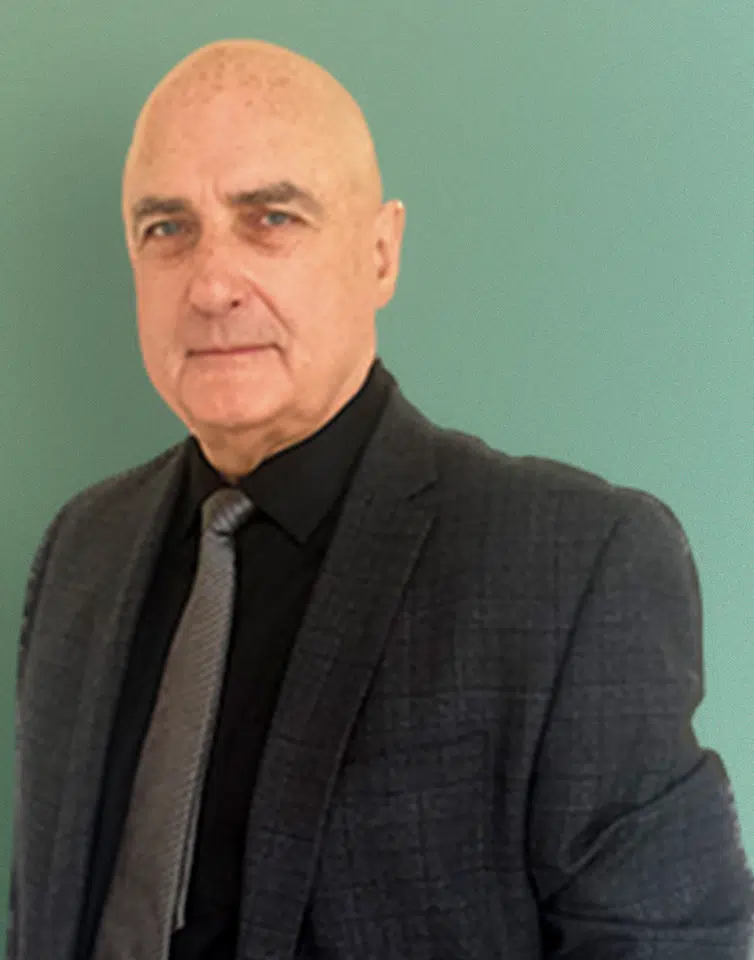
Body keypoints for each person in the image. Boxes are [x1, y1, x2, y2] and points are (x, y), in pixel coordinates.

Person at [6, 37, 752, 960]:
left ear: (380, 252)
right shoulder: (80, 551)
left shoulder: (572, 569)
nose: (211, 284)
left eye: (271, 218)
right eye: (167, 228)